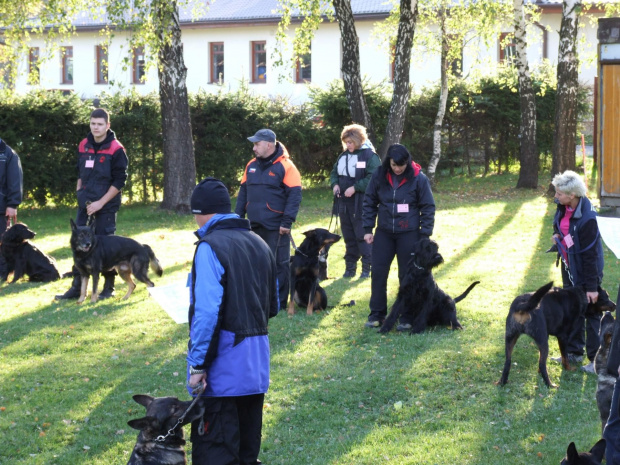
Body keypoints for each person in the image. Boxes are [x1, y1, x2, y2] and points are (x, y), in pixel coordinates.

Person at [186, 177, 278, 465]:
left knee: (217, 451)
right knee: (247, 451)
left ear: (203, 212)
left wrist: (198, 364)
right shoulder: (259, 242)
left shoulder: (209, 246)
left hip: (224, 365)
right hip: (257, 361)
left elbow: (206, 313)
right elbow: (272, 303)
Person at [55, 108, 128, 300]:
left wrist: (100, 203)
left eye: (100, 124)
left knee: (105, 245)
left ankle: (108, 288)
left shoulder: (116, 149)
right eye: (93, 123)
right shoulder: (83, 145)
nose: (96, 127)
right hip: (84, 205)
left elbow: (120, 182)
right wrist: (80, 193)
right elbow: (80, 173)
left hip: (106, 206)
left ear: (107, 125)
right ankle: (77, 287)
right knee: (78, 244)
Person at [362, 143, 435, 330]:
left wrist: (424, 234)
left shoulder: (419, 179)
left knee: (407, 276)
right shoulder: (379, 175)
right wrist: (368, 229)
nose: (397, 169)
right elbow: (369, 201)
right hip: (384, 233)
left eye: (401, 165)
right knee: (378, 273)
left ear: (408, 162)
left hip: (409, 234)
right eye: (394, 165)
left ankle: (406, 316)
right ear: (389, 162)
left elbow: (427, 206)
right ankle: (377, 314)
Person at [550, 170, 611, 373]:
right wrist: (557, 234)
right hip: (570, 268)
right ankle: (574, 352)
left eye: (559, 193)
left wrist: (592, 288)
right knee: (572, 310)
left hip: (587, 271)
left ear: (572, 195)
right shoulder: (563, 207)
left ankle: (595, 360)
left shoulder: (588, 219)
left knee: (591, 314)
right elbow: (559, 224)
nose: (555, 196)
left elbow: (591, 256)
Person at [235, 128, 302, 310]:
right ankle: (259, 299)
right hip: (253, 225)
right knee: (255, 263)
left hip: (276, 227)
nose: (254, 148)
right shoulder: (251, 165)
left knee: (278, 264)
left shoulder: (287, 166)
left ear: (269, 145)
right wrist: (237, 218)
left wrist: (286, 223)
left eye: (257, 144)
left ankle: (278, 303)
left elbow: (294, 197)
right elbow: (243, 193)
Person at [329, 124, 380, 278]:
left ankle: (367, 268)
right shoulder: (343, 156)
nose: (348, 145)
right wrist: (335, 184)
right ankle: (350, 268)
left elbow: (374, 177)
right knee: (348, 235)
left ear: (358, 140)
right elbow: (334, 173)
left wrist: (356, 187)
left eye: (350, 142)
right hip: (343, 202)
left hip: (361, 202)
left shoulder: (370, 156)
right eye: (346, 142)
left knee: (362, 234)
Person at [0, 137, 23, 280]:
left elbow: (15, 181)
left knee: (3, 244)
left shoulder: (9, 154)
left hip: (1, 207)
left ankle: (3, 272)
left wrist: (12, 204)